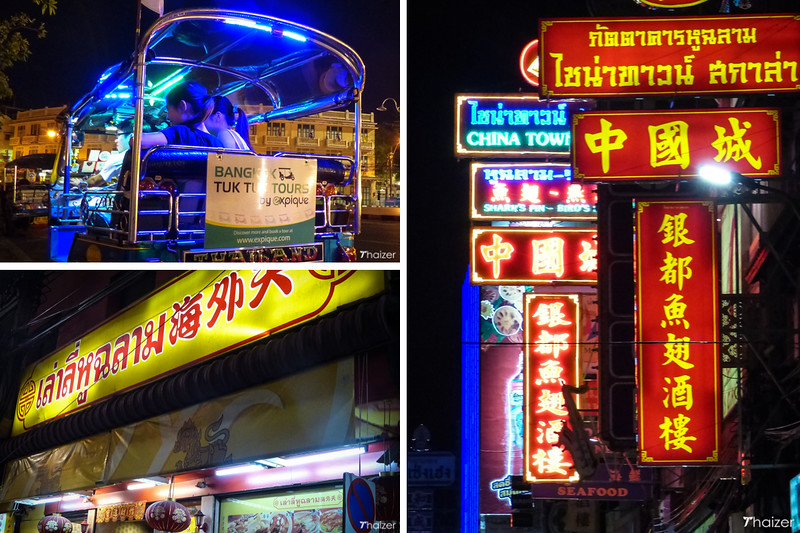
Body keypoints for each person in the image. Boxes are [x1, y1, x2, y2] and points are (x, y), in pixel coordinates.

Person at [140, 81, 224, 149]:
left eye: (168, 109)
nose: (167, 117)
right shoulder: (217, 143)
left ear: (182, 106)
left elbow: (139, 141)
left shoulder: (179, 132)